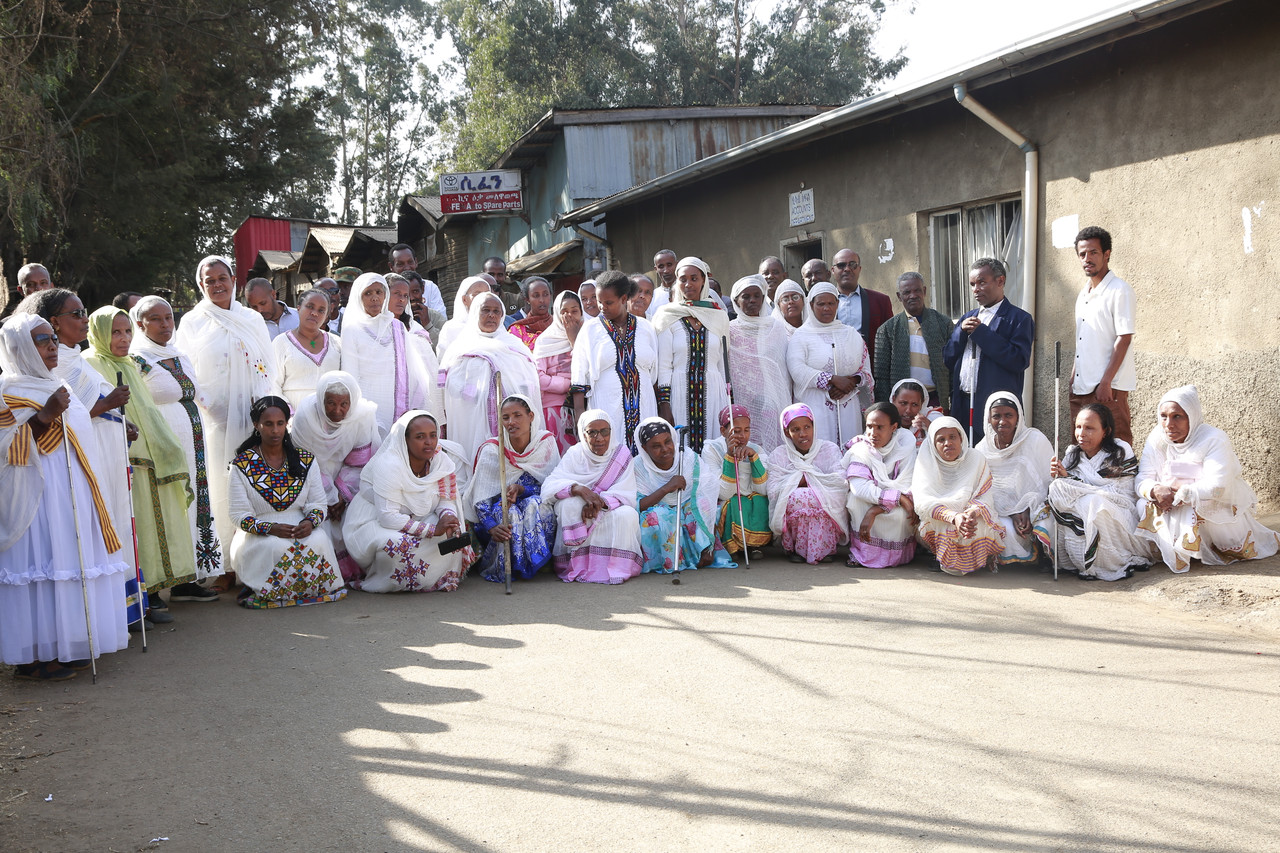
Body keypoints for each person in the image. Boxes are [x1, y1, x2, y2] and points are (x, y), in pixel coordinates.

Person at [0, 314, 131, 680]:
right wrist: (44, 416)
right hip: (34, 497)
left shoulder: (59, 384)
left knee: (66, 561)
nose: (52, 346)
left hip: (71, 490)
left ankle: (63, 645)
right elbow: (5, 448)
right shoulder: (6, 390)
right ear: (20, 347)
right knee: (39, 564)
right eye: (41, 340)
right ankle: (33, 657)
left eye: (52, 339)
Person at [16, 290, 149, 615]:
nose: (83, 319)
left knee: (117, 520)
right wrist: (107, 405)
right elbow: (65, 414)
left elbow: (91, 404)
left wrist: (122, 420)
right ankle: (105, 612)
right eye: (76, 313)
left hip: (107, 449)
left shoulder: (79, 357)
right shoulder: (50, 362)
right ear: (55, 322)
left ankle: (126, 609)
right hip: (84, 457)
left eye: (84, 311)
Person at [84, 306, 200, 610]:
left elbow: (146, 409)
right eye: (115, 332)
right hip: (121, 457)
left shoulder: (129, 364)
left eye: (126, 332)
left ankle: (162, 587)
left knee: (155, 524)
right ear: (97, 334)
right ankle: (142, 597)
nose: (123, 339)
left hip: (149, 454)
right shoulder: (91, 364)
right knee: (136, 530)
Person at [174, 255, 278, 577]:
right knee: (220, 486)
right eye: (210, 280)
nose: (217, 285)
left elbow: (267, 365)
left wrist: (261, 405)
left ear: (234, 280)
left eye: (223, 278)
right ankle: (223, 567)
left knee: (254, 485)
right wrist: (209, 404)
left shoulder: (250, 318)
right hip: (215, 420)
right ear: (200, 285)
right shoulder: (192, 322)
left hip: (252, 418)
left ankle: (257, 560)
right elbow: (187, 368)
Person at [1135, 385, 1280, 573]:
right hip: (1170, 501)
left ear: (1192, 416)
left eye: (1177, 416)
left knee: (1194, 509)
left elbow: (1217, 486)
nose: (1168, 424)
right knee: (1142, 503)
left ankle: (1207, 547)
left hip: (1210, 504)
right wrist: (1155, 489)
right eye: (1164, 416)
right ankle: (1178, 549)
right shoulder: (1157, 438)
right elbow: (1142, 479)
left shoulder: (1214, 439)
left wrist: (1184, 494)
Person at [130, 296, 222, 583]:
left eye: (168, 317)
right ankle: (171, 577)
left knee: (196, 502)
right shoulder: (137, 359)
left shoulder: (179, 354)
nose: (164, 324)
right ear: (139, 323)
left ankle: (192, 576)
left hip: (194, 444)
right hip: (163, 445)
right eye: (155, 319)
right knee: (171, 506)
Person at [227, 396, 345, 607]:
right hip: (259, 531)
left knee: (318, 540)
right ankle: (274, 591)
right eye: (268, 424)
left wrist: (310, 523)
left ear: (286, 424)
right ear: (256, 425)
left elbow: (317, 503)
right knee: (275, 546)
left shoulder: (305, 460)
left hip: (300, 525)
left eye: (280, 423)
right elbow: (238, 515)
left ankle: (300, 591)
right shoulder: (241, 465)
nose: (275, 430)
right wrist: (269, 528)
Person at [343, 411, 472, 592]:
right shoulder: (389, 465)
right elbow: (388, 517)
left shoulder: (440, 460)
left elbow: (445, 499)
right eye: (420, 437)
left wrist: (447, 518)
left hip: (418, 517)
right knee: (398, 545)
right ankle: (385, 581)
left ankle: (431, 579)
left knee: (450, 533)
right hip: (374, 521)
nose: (429, 442)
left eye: (433, 435)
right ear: (405, 439)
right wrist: (433, 530)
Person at [288, 371, 382, 583]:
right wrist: (329, 496)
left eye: (344, 404)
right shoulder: (306, 416)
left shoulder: (362, 415)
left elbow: (360, 463)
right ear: (321, 399)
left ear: (352, 402)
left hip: (347, 479)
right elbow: (305, 462)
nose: (337, 411)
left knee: (355, 512)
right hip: (309, 476)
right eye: (330, 403)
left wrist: (341, 494)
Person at [1044, 404, 1146, 581]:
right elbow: (1067, 496)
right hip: (1083, 512)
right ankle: (1081, 560)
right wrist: (1063, 477)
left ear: (1105, 431)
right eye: (1078, 427)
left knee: (1093, 503)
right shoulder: (1073, 454)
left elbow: (1116, 493)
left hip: (1118, 511)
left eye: (1089, 428)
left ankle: (1107, 563)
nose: (1081, 434)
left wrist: (1071, 482)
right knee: (1056, 489)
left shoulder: (1120, 451)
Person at [463, 395, 560, 582]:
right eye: (505, 417)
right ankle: (511, 566)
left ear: (531, 416)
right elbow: (480, 499)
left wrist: (523, 490)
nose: (511, 422)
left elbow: (552, 486)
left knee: (536, 504)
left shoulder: (545, 443)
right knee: (509, 512)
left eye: (517, 415)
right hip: (494, 514)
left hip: (532, 503)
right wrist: (491, 527)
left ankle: (538, 559)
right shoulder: (492, 449)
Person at [439, 291, 543, 465]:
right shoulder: (460, 346)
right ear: (475, 313)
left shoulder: (514, 345)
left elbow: (529, 378)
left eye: (496, 311)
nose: (491, 315)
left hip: (512, 418)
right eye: (485, 310)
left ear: (502, 316)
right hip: (474, 418)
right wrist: (479, 395)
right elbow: (452, 383)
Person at [542, 410, 643, 584]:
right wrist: (578, 489)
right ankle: (577, 566)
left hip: (608, 506)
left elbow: (626, 491)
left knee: (628, 515)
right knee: (569, 506)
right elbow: (549, 486)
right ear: (583, 434)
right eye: (592, 432)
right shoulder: (575, 453)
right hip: (581, 505)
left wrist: (598, 502)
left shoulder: (621, 454)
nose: (599, 438)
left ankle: (617, 568)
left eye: (605, 431)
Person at [943, 257, 1034, 446]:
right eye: (972, 284)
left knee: (993, 460)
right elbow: (948, 359)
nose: (976, 289)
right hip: (962, 402)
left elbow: (1019, 360)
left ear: (1000, 281)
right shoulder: (967, 317)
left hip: (994, 407)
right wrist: (960, 333)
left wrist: (982, 334)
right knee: (963, 458)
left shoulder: (1019, 318)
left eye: (982, 282)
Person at [571, 271, 658, 454]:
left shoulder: (646, 328)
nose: (602, 307)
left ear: (624, 298)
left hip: (644, 408)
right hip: (606, 409)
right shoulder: (590, 330)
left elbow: (654, 374)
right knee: (611, 459)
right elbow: (579, 379)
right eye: (599, 301)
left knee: (645, 459)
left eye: (608, 302)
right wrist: (582, 421)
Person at [634, 417, 730, 573]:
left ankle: (704, 551)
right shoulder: (638, 466)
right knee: (660, 515)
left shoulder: (688, 458)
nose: (665, 449)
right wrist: (666, 488)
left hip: (686, 505)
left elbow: (709, 489)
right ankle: (668, 562)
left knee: (701, 505)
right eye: (656, 446)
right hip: (657, 509)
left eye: (668, 442)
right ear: (645, 448)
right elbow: (638, 505)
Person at [654, 257, 730, 454]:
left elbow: (723, 363)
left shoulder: (718, 316)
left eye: (694, 278)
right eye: (683, 279)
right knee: (682, 451)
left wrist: (727, 402)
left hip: (713, 392)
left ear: (703, 280)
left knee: (714, 450)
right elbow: (664, 366)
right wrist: (664, 405)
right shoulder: (667, 316)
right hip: (679, 394)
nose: (688, 284)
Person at [340, 272, 430, 434]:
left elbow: (412, 370)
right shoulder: (352, 330)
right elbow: (350, 376)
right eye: (368, 293)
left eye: (379, 292)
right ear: (358, 297)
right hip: (366, 406)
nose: (374, 298)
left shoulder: (398, 327)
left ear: (385, 296)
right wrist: (359, 411)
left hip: (398, 403)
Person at [913, 417, 1004, 576]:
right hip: (941, 518)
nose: (948, 443)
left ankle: (976, 560)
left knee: (980, 524)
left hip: (969, 515)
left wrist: (971, 514)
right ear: (933, 445)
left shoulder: (976, 458)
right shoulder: (926, 462)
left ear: (961, 438)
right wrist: (954, 517)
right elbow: (923, 503)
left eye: (952, 437)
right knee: (944, 525)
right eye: (941, 439)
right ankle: (941, 557)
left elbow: (985, 496)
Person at [1071, 226, 1137, 446]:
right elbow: (1082, 340)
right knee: (1082, 449)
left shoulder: (1120, 290)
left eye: (1093, 252)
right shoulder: (1084, 293)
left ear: (1107, 254)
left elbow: (1124, 338)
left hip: (1108, 388)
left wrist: (1106, 381)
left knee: (1116, 448)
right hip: (1081, 387)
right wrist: (1074, 377)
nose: (1087, 259)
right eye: (1082, 254)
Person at [786, 283, 871, 446]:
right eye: (821, 304)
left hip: (848, 403)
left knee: (851, 451)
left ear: (837, 304)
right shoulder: (801, 336)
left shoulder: (851, 333)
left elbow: (866, 371)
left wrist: (851, 382)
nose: (826, 308)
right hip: (816, 405)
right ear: (811, 305)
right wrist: (832, 380)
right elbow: (797, 370)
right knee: (821, 450)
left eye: (831, 303)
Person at [976, 393, 1053, 568]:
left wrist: (1026, 509)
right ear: (988, 419)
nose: (1002, 421)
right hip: (1003, 510)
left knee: (1044, 517)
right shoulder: (982, 449)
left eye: (1008, 415)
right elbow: (986, 489)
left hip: (1034, 506)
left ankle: (1045, 556)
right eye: (996, 416)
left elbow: (1048, 482)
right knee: (1003, 529)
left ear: (1018, 417)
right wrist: (1013, 511)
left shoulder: (1034, 439)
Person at [766, 403, 848, 564]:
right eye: (795, 429)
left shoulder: (828, 449)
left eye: (807, 427)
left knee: (815, 496)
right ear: (786, 433)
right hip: (797, 503)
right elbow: (773, 489)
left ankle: (826, 548)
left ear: (813, 427)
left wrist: (804, 481)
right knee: (798, 497)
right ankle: (794, 549)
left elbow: (840, 481)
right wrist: (804, 481)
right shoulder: (779, 455)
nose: (803, 434)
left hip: (825, 502)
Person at [842, 401, 919, 568]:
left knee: (901, 515)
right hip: (876, 499)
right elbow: (859, 488)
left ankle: (897, 557)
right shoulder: (860, 449)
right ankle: (862, 555)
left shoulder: (906, 445)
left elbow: (909, 485)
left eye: (879, 427)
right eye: (869, 427)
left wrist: (876, 510)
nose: (872, 433)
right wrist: (899, 498)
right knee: (855, 502)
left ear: (894, 427)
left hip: (890, 503)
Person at [728, 274, 792, 452]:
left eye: (757, 296)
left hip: (772, 398)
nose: (752, 301)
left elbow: (782, 367)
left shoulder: (776, 327)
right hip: (744, 399)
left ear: (764, 299)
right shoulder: (730, 330)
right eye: (746, 297)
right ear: (736, 300)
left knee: (774, 443)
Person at [873, 272, 953, 409]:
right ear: (899, 296)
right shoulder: (887, 329)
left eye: (917, 290)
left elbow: (953, 365)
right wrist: (887, 409)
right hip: (902, 404)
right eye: (907, 292)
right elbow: (881, 377)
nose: (913, 295)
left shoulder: (943, 324)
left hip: (935, 399)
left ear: (925, 291)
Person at [702, 405, 770, 558]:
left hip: (751, 497)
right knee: (733, 502)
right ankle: (731, 545)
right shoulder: (711, 449)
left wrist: (754, 459)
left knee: (759, 500)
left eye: (747, 430)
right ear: (722, 431)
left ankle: (753, 545)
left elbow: (764, 489)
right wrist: (730, 458)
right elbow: (724, 493)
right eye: (736, 431)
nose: (743, 436)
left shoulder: (756, 449)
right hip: (724, 500)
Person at [272, 288, 342, 412]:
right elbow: (273, 384)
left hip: (330, 417)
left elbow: (345, 382)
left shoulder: (336, 342)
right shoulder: (281, 342)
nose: (315, 313)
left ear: (326, 316)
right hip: (294, 418)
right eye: (310, 306)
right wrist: (289, 415)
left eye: (321, 310)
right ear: (298, 308)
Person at [387, 273, 444, 418]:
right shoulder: (378, 329)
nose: (403, 299)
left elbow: (432, 368)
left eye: (405, 296)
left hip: (421, 400)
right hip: (389, 397)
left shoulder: (416, 329)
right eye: (397, 294)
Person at [533, 291, 583, 453]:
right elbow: (537, 376)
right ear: (556, 313)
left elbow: (589, 369)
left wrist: (574, 340)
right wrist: (566, 384)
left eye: (574, 311)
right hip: (554, 407)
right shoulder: (546, 340)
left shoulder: (588, 336)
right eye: (564, 312)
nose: (569, 316)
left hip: (583, 404)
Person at [831, 249, 893, 371]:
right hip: (833, 373)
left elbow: (890, 340)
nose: (847, 269)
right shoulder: (822, 303)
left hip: (870, 371)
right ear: (833, 270)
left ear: (859, 269)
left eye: (852, 264)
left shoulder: (880, 301)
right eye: (841, 265)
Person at [436, 275, 493, 359]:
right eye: (477, 295)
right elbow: (444, 361)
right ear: (464, 300)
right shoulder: (452, 328)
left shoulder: (497, 326)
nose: (483, 299)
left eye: (487, 294)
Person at [891, 378, 943, 447]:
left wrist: (930, 428)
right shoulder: (884, 421)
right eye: (903, 403)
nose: (908, 410)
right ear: (893, 399)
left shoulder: (934, 419)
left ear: (922, 403)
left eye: (914, 404)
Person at [508, 276, 553, 351]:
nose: (542, 300)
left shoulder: (560, 324)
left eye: (545, 294)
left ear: (550, 296)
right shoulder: (517, 330)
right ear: (527, 299)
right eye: (536, 296)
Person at [328, 266, 362, 335]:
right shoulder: (335, 316)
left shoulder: (368, 314)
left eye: (346, 287)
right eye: (338, 287)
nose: (341, 292)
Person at [647, 249, 678, 317]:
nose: (666, 270)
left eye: (669, 265)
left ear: (676, 265)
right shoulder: (651, 297)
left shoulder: (687, 292)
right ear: (656, 269)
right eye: (661, 266)